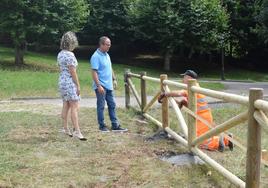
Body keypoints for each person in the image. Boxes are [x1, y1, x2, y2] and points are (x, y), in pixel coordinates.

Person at [158, 70, 233, 152]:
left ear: (189, 78)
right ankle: (227, 139)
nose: (182, 79)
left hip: (201, 117)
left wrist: (164, 94)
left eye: (184, 77)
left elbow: (179, 93)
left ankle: (219, 142)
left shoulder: (192, 86)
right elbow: (190, 103)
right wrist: (176, 100)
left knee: (201, 142)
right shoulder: (195, 87)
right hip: (202, 116)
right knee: (200, 138)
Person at [90, 36, 128, 132]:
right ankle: (102, 126)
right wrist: (98, 86)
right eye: (107, 45)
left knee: (112, 105)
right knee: (101, 106)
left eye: (110, 44)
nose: (109, 46)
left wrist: (114, 79)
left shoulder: (107, 55)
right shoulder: (95, 56)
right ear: (101, 44)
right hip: (101, 86)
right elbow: (94, 72)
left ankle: (115, 125)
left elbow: (110, 68)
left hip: (109, 85)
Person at [57, 31, 86, 141]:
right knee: (74, 106)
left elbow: (61, 69)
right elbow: (73, 72)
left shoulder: (60, 54)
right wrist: (78, 85)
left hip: (62, 81)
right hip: (69, 82)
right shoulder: (70, 55)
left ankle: (65, 128)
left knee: (66, 104)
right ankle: (77, 131)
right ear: (72, 42)